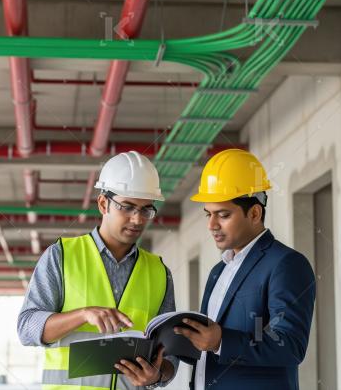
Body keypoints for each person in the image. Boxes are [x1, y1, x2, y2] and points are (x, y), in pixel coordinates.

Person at [17, 151, 179, 389]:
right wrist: (83, 314)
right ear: (103, 204)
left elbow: (170, 356)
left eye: (146, 209)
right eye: (127, 207)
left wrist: (157, 376)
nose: (137, 220)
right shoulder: (61, 256)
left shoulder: (159, 272)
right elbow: (27, 328)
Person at [174, 149, 316, 390]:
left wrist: (221, 340)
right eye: (208, 214)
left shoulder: (286, 264)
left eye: (223, 215)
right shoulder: (219, 271)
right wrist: (171, 346)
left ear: (254, 213)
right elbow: (209, 350)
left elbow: (290, 345)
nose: (211, 225)